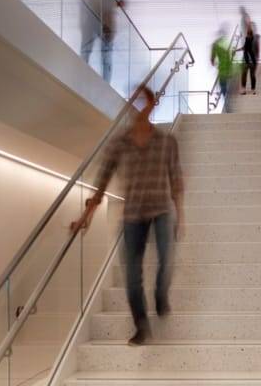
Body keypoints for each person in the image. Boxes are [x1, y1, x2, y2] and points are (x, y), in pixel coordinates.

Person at [72, 86, 183, 346]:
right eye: (134, 100)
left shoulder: (167, 142)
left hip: (161, 210)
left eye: (144, 100)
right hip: (133, 214)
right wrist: (86, 215)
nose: (138, 106)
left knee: (167, 260)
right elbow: (101, 181)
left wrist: (181, 212)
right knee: (132, 276)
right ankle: (141, 326)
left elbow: (176, 179)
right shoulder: (118, 144)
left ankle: (160, 296)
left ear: (152, 103)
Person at [211, 25, 234, 112]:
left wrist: (214, 63)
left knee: (223, 86)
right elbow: (231, 55)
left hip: (221, 69)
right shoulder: (227, 44)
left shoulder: (215, 44)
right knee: (227, 85)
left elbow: (212, 60)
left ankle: (227, 100)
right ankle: (228, 97)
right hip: (229, 68)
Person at [238, 22, 258, 95]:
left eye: (248, 32)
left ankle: (253, 89)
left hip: (252, 61)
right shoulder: (247, 39)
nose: (247, 34)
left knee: (252, 75)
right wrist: (236, 50)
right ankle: (244, 89)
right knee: (244, 75)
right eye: (247, 32)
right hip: (246, 60)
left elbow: (255, 49)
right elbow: (244, 48)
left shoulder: (253, 39)